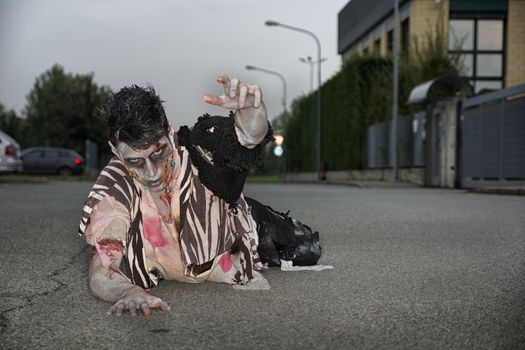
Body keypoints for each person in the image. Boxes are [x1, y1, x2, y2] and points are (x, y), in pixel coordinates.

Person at [79, 75, 274, 317]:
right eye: (135, 162)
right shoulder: (116, 182)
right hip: (198, 259)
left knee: (302, 248)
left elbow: (240, 142)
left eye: (158, 152)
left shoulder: (200, 150)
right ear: (114, 151)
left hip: (243, 227)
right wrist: (127, 292)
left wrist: (252, 129)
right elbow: (102, 269)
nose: (151, 173)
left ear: (169, 131)